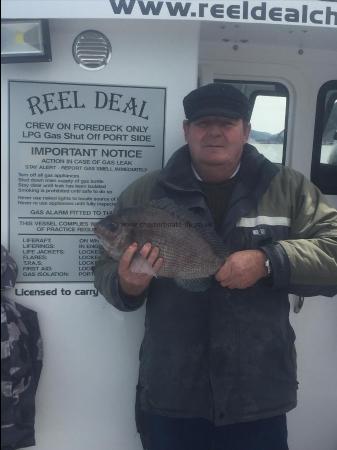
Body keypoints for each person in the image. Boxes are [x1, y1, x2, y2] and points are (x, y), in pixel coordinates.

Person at [94, 83, 337, 450]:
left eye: (226, 122)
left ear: (246, 130)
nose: (214, 131)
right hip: (172, 391)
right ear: (186, 130)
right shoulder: (144, 194)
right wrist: (127, 284)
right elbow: (103, 268)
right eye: (203, 122)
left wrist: (269, 260)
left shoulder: (288, 189)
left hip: (257, 392)